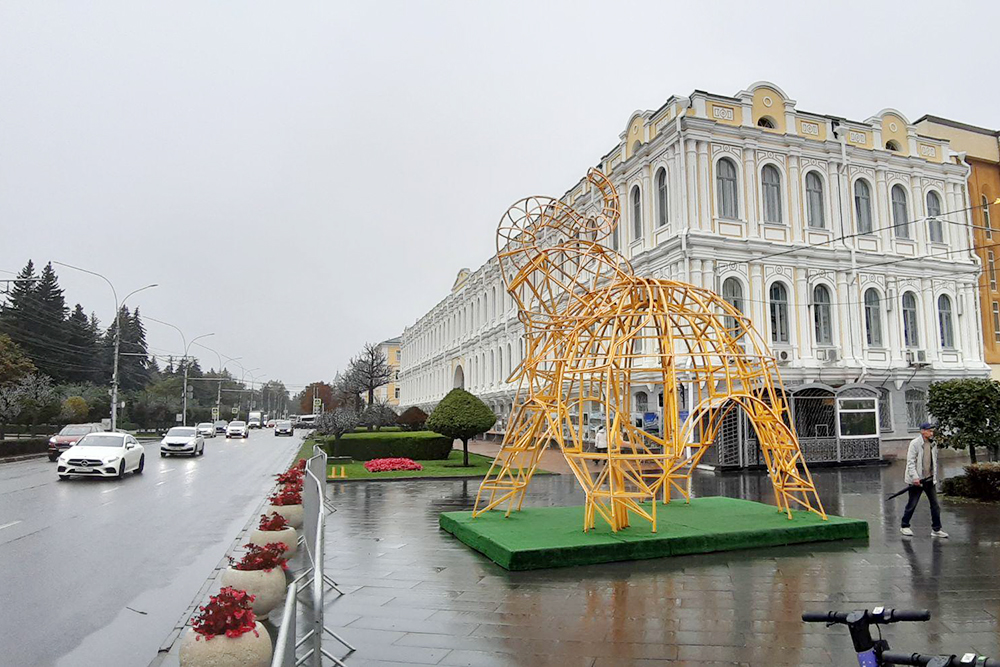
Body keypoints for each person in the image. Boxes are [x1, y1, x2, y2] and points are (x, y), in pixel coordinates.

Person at [900, 422, 948, 538]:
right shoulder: (915, 443)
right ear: (922, 431)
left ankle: (936, 529)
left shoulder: (933, 443)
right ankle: (904, 526)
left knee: (935, 505)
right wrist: (915, 477)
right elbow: (911, 462)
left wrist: (933, 476)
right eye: (929, 431)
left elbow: (933, 461)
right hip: (917, 480)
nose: (931, 433)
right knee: (912, 503)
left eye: (932, 431)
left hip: (929, 479)